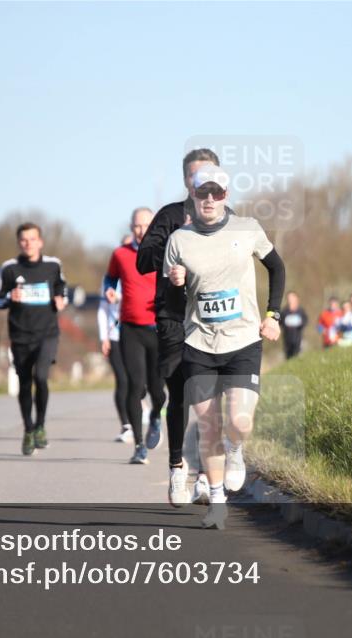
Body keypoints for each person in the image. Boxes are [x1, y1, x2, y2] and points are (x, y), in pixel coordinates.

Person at [165, 163, 285, 529]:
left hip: (244, 340)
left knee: (239, 420)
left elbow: (277, 268)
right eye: (203, 193)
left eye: (217, 192)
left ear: (226, 196)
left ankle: (236, 450)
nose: (210, 199)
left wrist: (273, 315)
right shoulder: (179, 241)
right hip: (199, 343)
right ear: (194, 196)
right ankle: (216, 498)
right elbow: (170, 306)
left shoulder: (247, 229)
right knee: (207, 424)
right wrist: (174, 283)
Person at [136, 149, 227, 506]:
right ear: (186, 180)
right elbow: (144, 259)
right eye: (193, 176)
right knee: (180, 396)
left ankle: (206, 475)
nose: (200, 183)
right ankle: (177, 470)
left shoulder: (228, 219)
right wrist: (175, 253)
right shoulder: (171, 215)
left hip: (213, 319)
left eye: (206, 175)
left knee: (210, 399)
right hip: (174, 318)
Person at [0, 222, 67, 455]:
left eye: (32, 239)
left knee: (41, 377)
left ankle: (41, 426)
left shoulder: (53, 265)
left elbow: (62, 288)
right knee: (25, 383)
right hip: (21, 335)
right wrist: (9, 296)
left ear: (40, 241)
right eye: (24, 240)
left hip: (47, 333)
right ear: (19, 243)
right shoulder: (9, 269)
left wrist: (61, 299)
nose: (28, 243)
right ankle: (28, 429)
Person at [104, 208, 164, 464]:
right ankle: (139, 446)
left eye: (146, 225)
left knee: (158, 390)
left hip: (159, 329)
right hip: (130, 329)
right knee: (134, 386)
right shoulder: (120, 254)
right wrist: (108, 290)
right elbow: (110, 278)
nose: (141, 230)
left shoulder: (166, 251)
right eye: (137, 226)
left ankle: (156, 416)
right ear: (131, 228)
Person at [97, 237, 132, 443]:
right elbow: (102, 310)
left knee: (139, 382)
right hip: (115, 335)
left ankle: (140, 408)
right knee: (122, 380)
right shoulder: (109, 279)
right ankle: (126, 425)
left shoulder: (144, 271)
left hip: (137, 333)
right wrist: (104, 338)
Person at [280, 291, 307, 359]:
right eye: (289, 298)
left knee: (297, 355)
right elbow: (280, 322)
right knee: (288, 356)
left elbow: (305, 321)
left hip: (298, 337)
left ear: (296, 299)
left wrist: (300, 324)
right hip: (287, 338)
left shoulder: (301, 311)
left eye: (292, 298)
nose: (290, 300)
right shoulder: (284, 311)